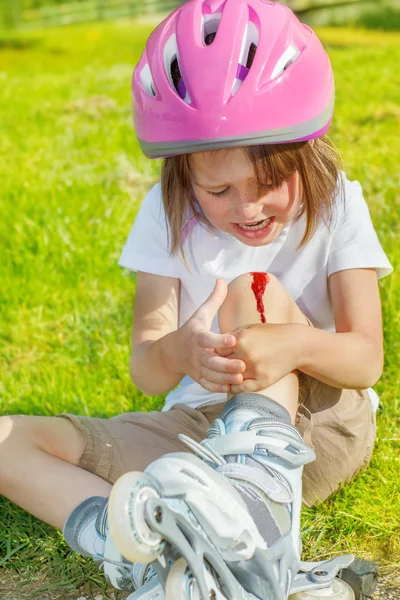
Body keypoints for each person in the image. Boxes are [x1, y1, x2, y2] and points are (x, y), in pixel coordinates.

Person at [0, 0, 392, 598]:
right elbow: (146, 367)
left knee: (249, 290)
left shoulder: (337, 200)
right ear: (183, 176)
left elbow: (366, 359)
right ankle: (155, 559)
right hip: (199, 431)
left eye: (268, 185)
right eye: (219, 190)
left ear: (307, 153)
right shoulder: (164, 212)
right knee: (7, 441)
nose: (248, 208)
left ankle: (252, 512)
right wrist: (180, 352)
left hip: (317, 425)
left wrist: (295, 343)